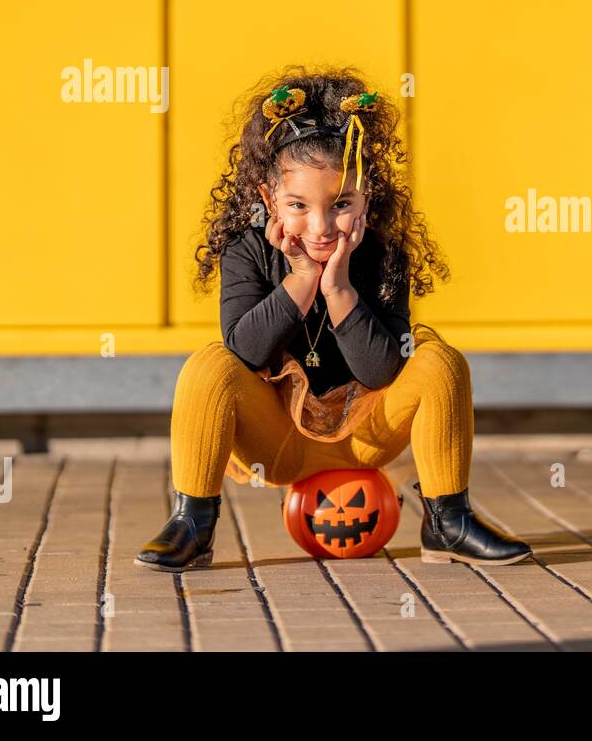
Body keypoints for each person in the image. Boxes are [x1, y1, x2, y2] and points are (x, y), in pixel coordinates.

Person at [135, 65, 532, 571]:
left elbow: (382, 372)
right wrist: (302, 277)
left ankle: (447, 522)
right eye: (298, 205)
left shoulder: (381, 252)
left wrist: (339, 287)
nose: (321, 227)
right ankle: (192, 524)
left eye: (341, 203)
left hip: (367, 440)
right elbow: (245, 352)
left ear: (367, 194)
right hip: (277, 445)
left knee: (439, 361)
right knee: (210, 365)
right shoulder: (248, 250)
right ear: (267, 198)